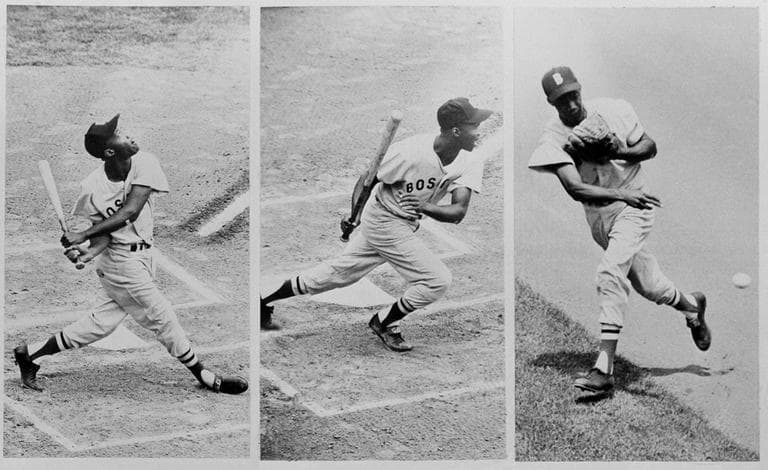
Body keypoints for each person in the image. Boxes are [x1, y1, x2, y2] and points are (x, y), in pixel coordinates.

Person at [13, 114, 248, 395]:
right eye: (120, 134)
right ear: (110, 151)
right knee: (163, 316)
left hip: (146, 257)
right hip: (121, 264)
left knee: (100, 324)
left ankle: (30, 355)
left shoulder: (145, 162)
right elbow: (104, 237)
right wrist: (87, 252)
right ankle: (204, 374)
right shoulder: (91, 189)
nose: (129, 135)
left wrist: (83, 239)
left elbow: (130, 212)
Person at [528, 67, 711, 393]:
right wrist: (620, 194)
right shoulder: (552, 139)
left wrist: (619, 152)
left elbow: (649, 146)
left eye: (572, 95)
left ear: (580, 89)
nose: (570, 105)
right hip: (602, 218)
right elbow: (575, 189)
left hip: (635, 207)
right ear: (550, 102)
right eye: (561, 101)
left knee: (610, 272)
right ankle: (692, 308)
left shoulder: (614, 109)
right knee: (649, 286)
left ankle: (603, 370)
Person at [261, 98, 493, 352]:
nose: (479, 132)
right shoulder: (410, 152)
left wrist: (425, 206)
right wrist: (354, 214)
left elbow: (458, 211)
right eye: (475, 126)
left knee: (339, 274)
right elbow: (368, 178)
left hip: (405, 224)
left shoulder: (470, 160)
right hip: (383, 219)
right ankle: (383, 323)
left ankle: (264, 298)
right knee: (437, 280)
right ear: (456, 131)